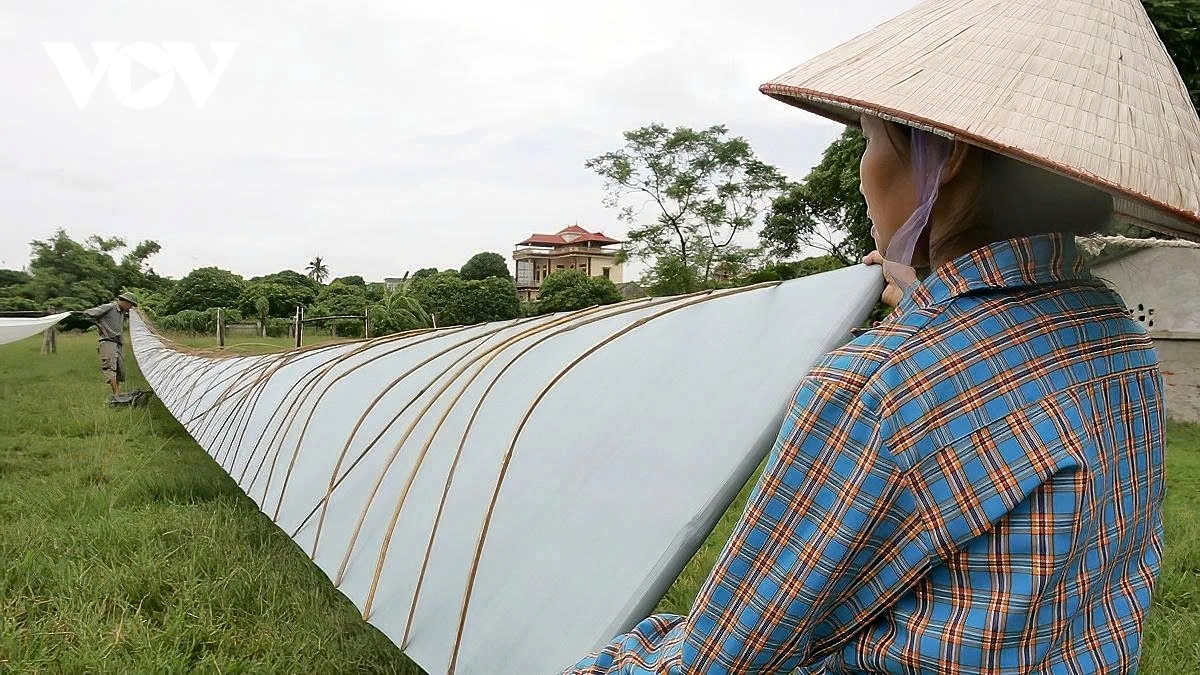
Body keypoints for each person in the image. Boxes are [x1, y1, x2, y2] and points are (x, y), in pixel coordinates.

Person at [564, 0, 1199, 672]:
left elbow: (716, 658)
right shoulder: (1118, 338)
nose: (865, 169)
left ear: (943, 156)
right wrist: (929, 300)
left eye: (866, 139)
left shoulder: (878, 389)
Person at [77, 292, 137, 399]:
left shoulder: (123, 312)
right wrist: (99, 326)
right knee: (110, 367)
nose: (130, 307)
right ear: (124, 301)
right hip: (108, 341)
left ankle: (117, 393)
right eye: (130, 304)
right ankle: (116, 395)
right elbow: (88, 313)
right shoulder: (109, 307)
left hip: (118, 343)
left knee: (120, 369)